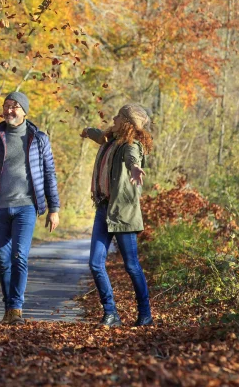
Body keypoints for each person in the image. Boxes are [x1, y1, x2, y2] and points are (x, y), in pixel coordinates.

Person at [0, 92, 60, 324]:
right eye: (6, 106)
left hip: (26, 207)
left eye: (15, 106)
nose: (9, 110)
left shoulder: (38, 138)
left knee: (19, 256)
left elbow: (49, 174)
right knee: (3, 260)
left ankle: (16, 309)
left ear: (24, 111)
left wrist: (54, 208)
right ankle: (9, 305)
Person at [81, 103, 153, 327]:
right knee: (95, 263)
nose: (114, 118)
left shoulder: (131, 146)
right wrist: (88, 130)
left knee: (131, 266)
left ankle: (146, 314)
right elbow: (99, 137)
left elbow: (133, 157)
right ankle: (111, 313)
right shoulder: (110, 140)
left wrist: (135, 168)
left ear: (128, 124)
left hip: (123, 213)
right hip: (103, 208)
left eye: (119, 117)